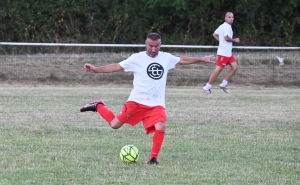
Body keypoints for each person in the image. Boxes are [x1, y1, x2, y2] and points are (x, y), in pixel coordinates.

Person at [80, 33, 214, 165]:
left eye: (157, 46)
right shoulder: (137, 58)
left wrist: (202, 59)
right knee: (114, 125)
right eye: (151, 46)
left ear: (160, 45)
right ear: (146, 44)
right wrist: (96, 69)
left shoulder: (166, 58)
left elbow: (183, 60)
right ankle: (98, 105)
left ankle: (153, 159)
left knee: (161, 125)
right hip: (136, 101)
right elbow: (117, 66)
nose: (154, 49)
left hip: (156, 104)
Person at [203, 12, 240, 94]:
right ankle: (207, 87)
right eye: (229, 17)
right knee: (218, 70)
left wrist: (221, 41)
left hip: (228, 53)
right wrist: (235, 40)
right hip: (223, 53)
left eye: (232, 17)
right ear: (225, 18)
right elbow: (226, 38)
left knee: (235, 67)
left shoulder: (222, 26)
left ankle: (224, 84)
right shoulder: (226, 27)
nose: (231, 19)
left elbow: (214, 34)